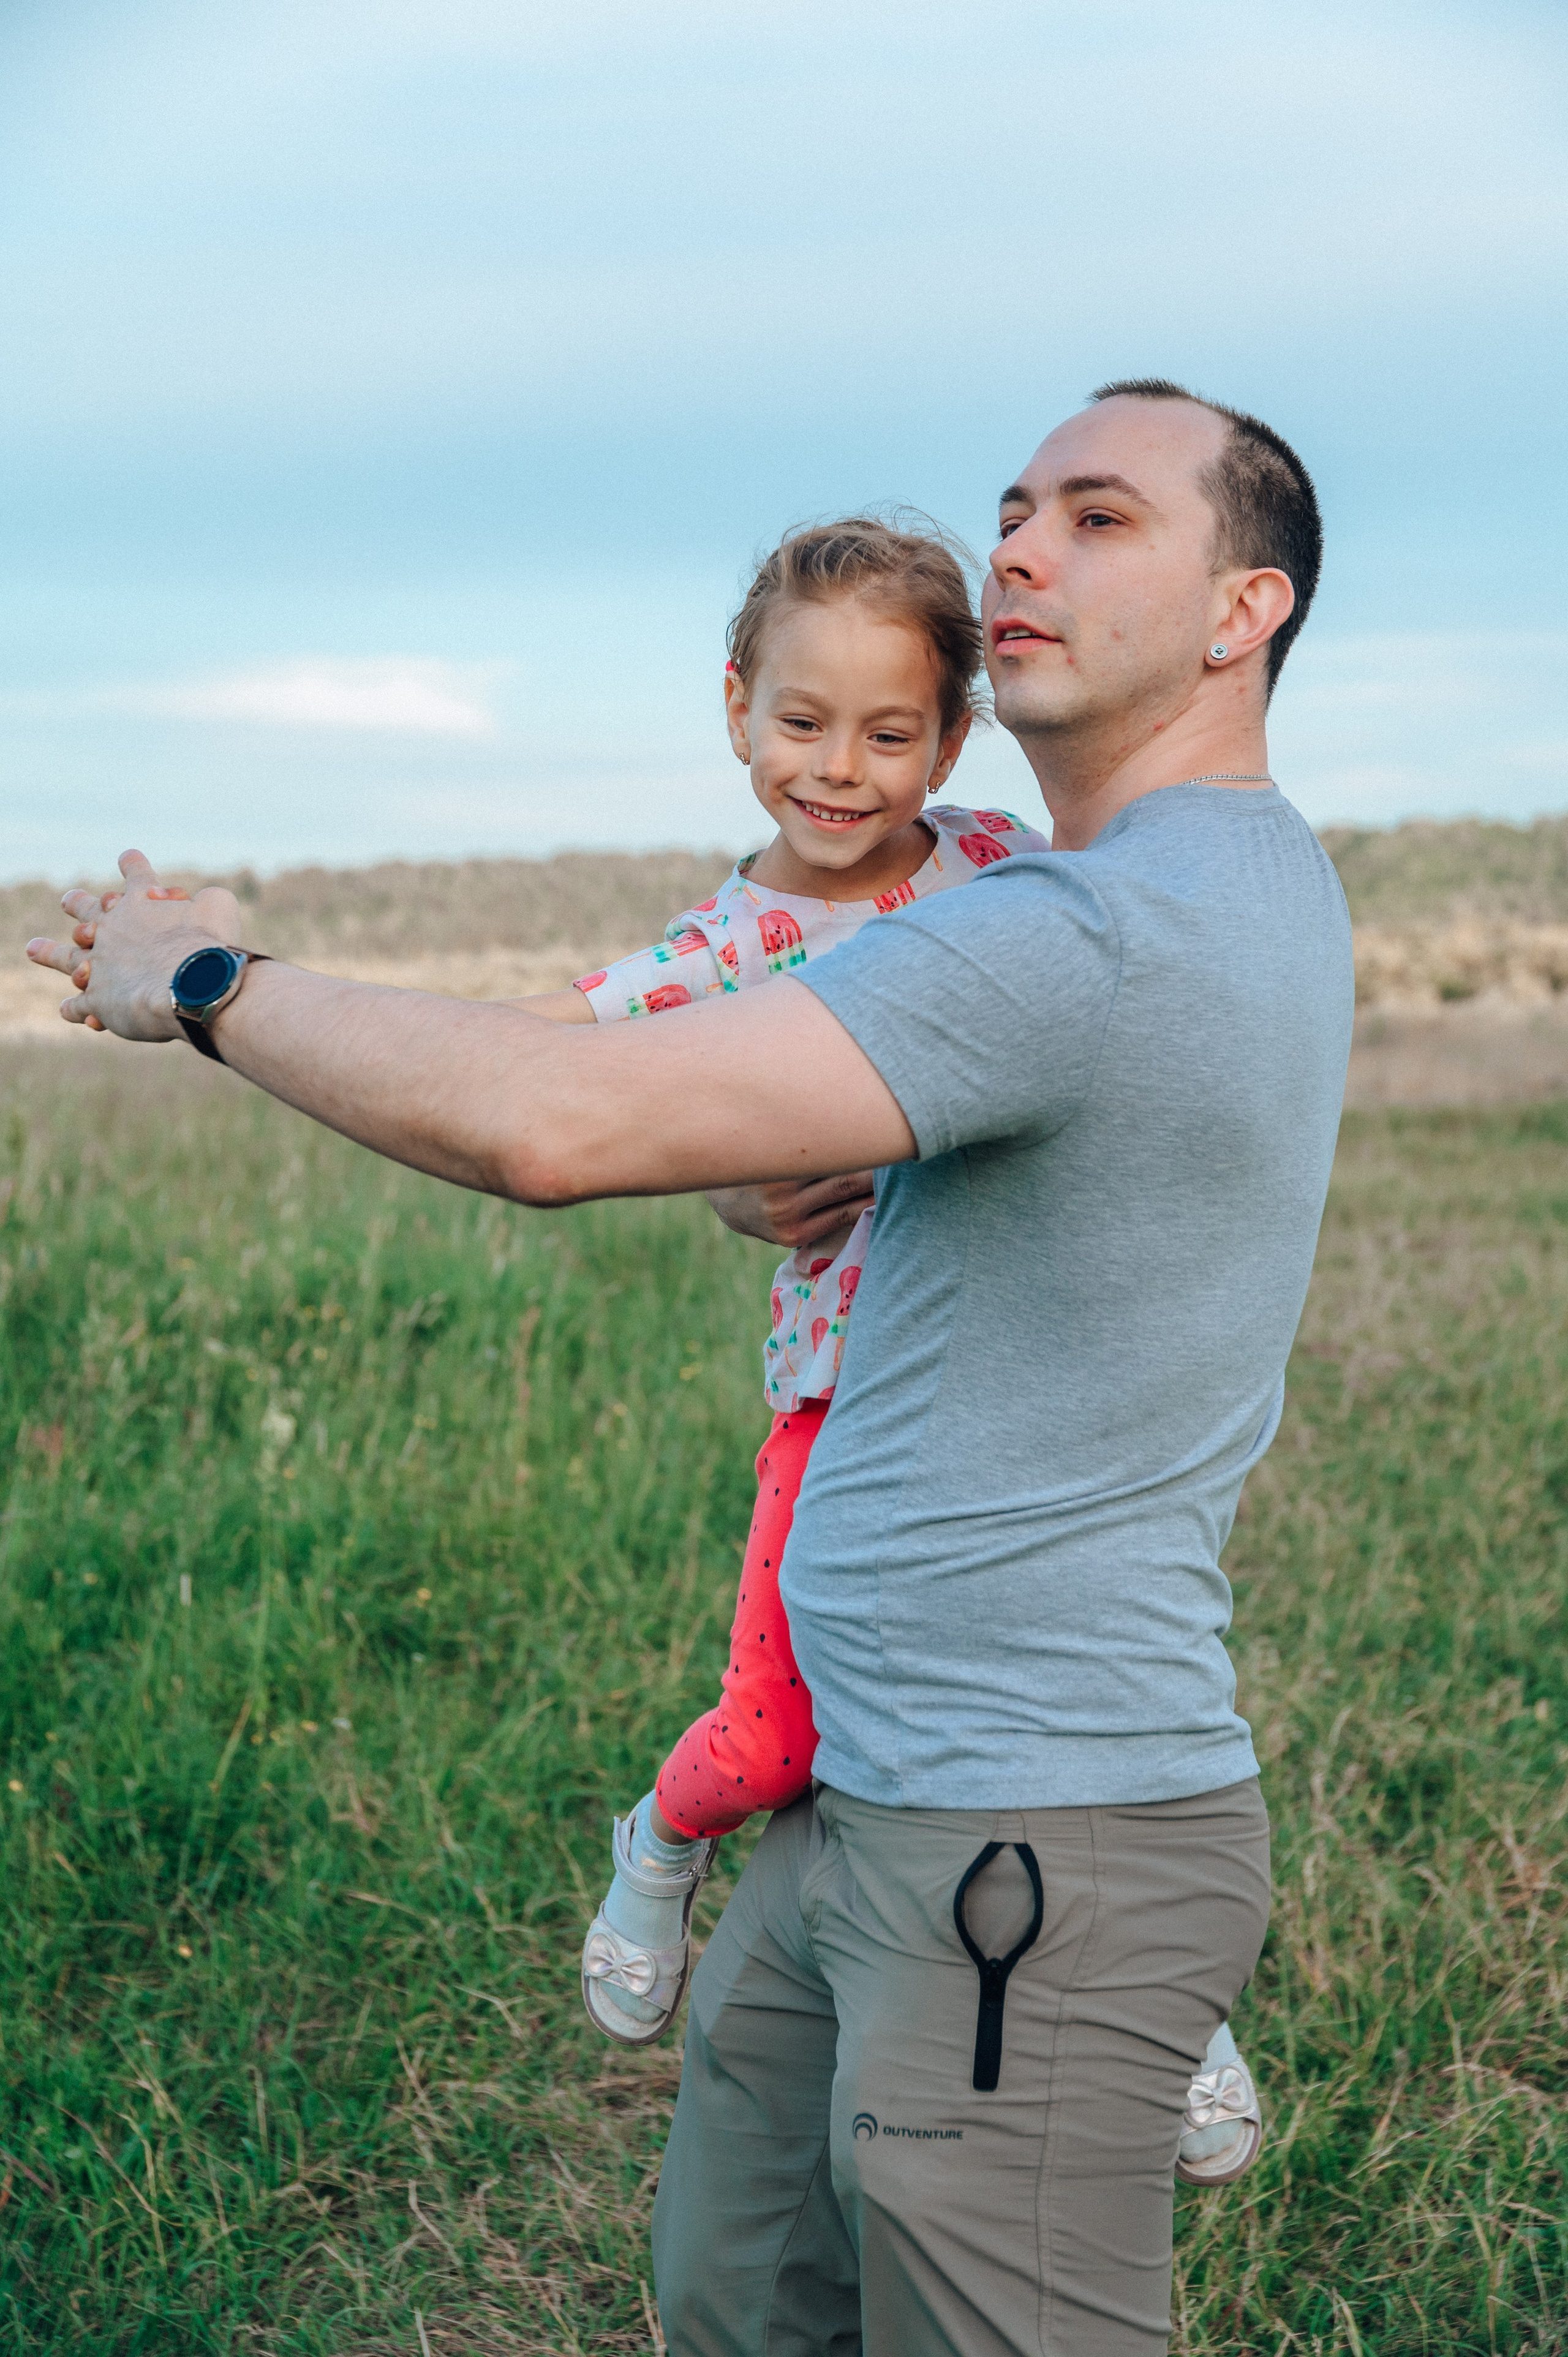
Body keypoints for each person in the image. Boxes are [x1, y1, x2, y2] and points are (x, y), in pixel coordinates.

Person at [27, 379, 1354, 2356]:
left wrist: (210, 985)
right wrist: (784, 1172)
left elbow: (551, 1121)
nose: (1018, 550)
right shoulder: (1180, 894)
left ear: (1244, 612)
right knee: (742, 2296)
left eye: (1098, 517)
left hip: (1022, 1833)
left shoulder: (1085, 930)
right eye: (1013, 509)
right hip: (857, 1786)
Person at [512, 507, 1264, 2193]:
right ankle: (662, 1841)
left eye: (888, 731)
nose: (840, 770)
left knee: (1083, 1712)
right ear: (734, 709)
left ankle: (1171, 2013)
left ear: (952, 736)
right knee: (782, 1741)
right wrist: (246, 998)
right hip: (845, 1404)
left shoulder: (1003, 869)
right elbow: (545, 1048)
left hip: (1034, 1387)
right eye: (801, 723)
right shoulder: (727, 950)